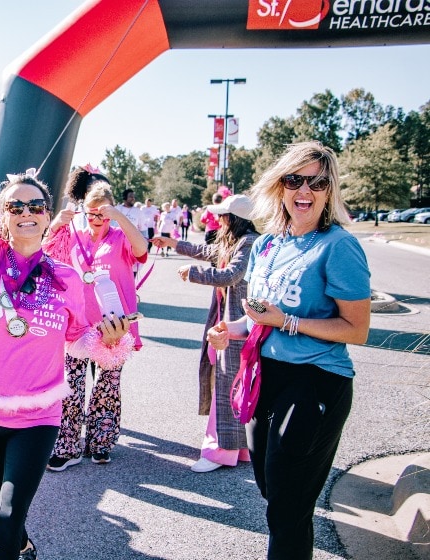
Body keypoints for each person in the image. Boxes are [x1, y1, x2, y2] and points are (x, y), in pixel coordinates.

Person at [0, 80, 133, 560]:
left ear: (47, 214)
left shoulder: (65, 277)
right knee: (3, 519)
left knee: (6, 524)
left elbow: (81, 338)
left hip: (38, 415)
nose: (28, 212)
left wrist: (110, 340)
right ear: (4, 216)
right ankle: (23, 546)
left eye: (37, 205)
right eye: (17, 206)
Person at [206, 142, 370, 559]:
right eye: (295, 179)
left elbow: (357, 329)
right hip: (265, 377)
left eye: (317, 182)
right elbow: (262, 316)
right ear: (280, 186)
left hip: (316, 380)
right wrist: (232, 329)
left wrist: (289, 322)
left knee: (289, 505)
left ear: (329, 190)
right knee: (268, 483)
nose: (305, 190)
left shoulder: (337, 245)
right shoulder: (266, 246)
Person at [43, 168, 147, 469]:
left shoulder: (120, 236)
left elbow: (142, 250)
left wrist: (120, 216)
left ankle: (100, 442)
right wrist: (56, 225)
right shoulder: (72, 235)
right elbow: (45, 257)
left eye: (103, 214)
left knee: (107, 386)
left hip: (113, 325)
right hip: (76, 323)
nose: (97, 219)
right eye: (92, 213)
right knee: (71, 387)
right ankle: (67, 446)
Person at [152, 194, 258, 473]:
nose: (218, 220)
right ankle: (238, 448)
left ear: (234, 219)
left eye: (223, 216)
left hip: (236, 325)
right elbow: (207, 252)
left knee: (226, 383)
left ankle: (218, 451)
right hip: (228, 320)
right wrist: (172, 242)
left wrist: (193, 272)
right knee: (230, 382)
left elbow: (230, 276)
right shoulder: (235, 241)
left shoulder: (249, 243)